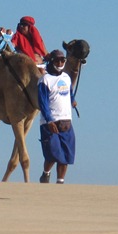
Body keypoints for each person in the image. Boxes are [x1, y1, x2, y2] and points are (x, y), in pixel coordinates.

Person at [38, 49, 76, 184]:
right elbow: (42, 103)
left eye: (62, 60)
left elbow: (69, 92)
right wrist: (49, 121)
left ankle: (60, 182)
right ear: (51, 62)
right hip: (50, 123)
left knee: (65, 156)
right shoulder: (45, 80)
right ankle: (46, 173)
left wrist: (72, 100)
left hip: (66, 121)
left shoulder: (66, 77)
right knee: (53, 154)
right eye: (57, 60)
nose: (60, 63)